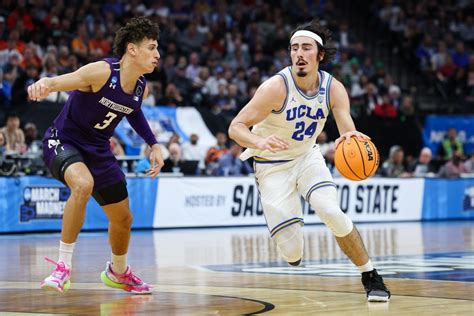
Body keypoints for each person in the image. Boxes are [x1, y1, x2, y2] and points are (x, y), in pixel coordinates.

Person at [228, 20, 390, 302]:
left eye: (306, 48)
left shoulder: (334, 88)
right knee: (292, 253)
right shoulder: (275, 88)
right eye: (294, 48)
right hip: (271, 165)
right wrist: (258, 141)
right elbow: (235, 127)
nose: (299, 54)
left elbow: (346, 129)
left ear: (320, 55)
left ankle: (371, 275)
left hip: (307, 156)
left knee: (330, 210)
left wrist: (349, 140)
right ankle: (292, 243)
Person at [27, 17, 164, 294]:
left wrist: (153, 143)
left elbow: (133, 111)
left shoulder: (141, 88)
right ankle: (62, 267)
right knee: (83, 184)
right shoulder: (102, 72)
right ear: (132, 50)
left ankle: (118, 272)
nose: (157, 55)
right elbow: (66, 80)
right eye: (151, 47)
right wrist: (45, 83)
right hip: (63, 140)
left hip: (98, 150)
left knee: (123, 218)